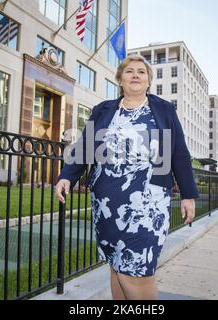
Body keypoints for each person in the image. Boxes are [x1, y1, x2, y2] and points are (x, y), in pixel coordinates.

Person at [54, 55, 199, 300]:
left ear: (149, 80)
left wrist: (188, 194)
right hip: (108, 203)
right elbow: (86, 145)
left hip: (149, 202)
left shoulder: (163, 109)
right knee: (117, 263)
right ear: (120, 79)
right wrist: (67, 175)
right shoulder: (104, 110)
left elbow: (179, 153)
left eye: (141, 72)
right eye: (129, 71)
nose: (135, 75)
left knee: (137, 271)